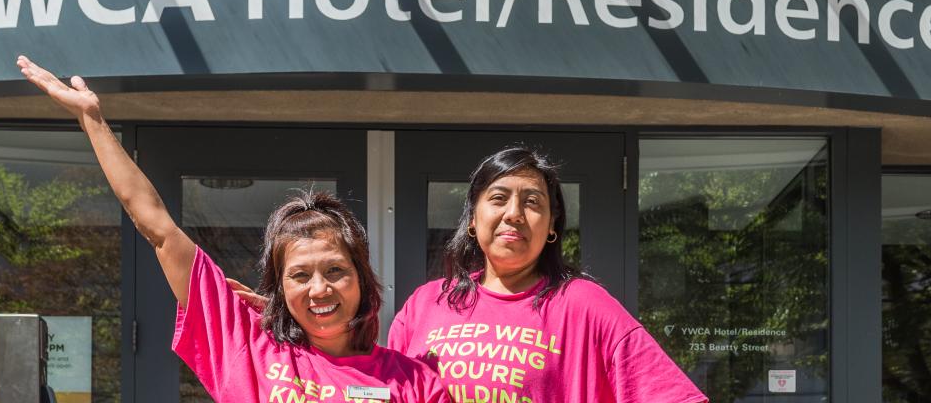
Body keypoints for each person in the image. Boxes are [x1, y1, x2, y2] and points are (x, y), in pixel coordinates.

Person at [19, 55, 445, 403]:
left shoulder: (414, 382)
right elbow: (159, 229)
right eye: (300, 275)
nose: (320, 289)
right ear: (279, 289)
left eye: (335, 270)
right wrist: (92, 120)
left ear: (361, 279)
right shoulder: (247, 344)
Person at [234, 147, 708, 402]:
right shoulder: (427, 304)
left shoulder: (584, 305)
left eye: (533, 202)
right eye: (499, 199)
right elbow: (364, 376)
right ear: (473, 219)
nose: (514, 214)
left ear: (552, 227)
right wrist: (289, 319)